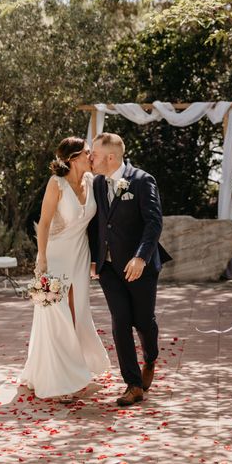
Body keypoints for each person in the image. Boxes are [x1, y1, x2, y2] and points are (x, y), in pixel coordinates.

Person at [19, 137, 110, 402]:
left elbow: (96, 226)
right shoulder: (56, 184)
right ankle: (58, 381)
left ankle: (74, 369)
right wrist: (42, 258)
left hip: (79, 255)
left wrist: (96, 257)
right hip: (55, 256)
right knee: (56, 315)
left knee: (77, 312)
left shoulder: (93, 183)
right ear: (72, 158)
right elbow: (44, 223)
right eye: (88, 153)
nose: (92, 157)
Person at [88, 132, 172, 407]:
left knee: (143, 321)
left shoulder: (142, 180)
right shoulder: (98, 183)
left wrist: (140, 258)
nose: (91, 158)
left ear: (110, 157)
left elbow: (153, 223)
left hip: (139, 267)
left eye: (95, 154)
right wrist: (93, 258)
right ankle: (133, 384)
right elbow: (97, 223)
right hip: (109, 267)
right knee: (120, 320)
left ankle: (150, 357)